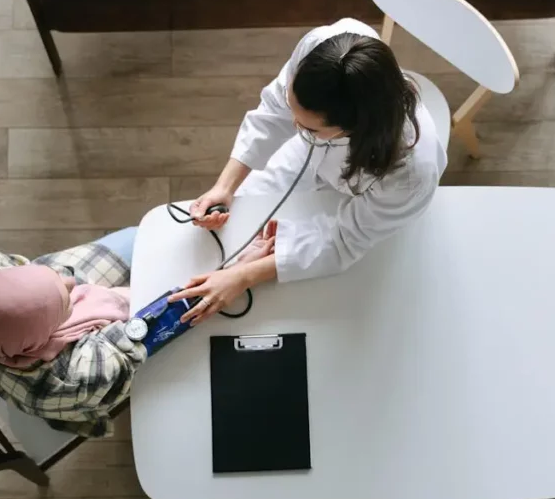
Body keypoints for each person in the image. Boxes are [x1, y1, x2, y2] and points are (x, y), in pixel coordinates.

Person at [170, 18, 447, 326]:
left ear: (352, 128)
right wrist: (226, 186)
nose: (293, 126)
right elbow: (273, 110)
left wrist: (242, 277)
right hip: (311, 157)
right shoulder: (325, 48)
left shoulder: (408, 175)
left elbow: (344, 240)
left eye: (308, 126)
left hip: (369, 206)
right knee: (242, 221)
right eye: (295, 113)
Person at [0, 227, 278, 436]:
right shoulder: (72, 380)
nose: (72, 281)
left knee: (147, 235)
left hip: (26, 331)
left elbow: (51, 277)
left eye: (51, 276)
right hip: (78, 389)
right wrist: (236, 272)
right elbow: (147, 330)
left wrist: (45, 290)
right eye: (66, 300)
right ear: (44, 337)